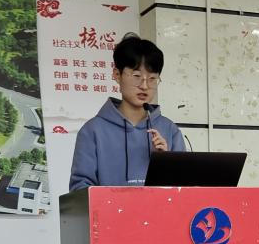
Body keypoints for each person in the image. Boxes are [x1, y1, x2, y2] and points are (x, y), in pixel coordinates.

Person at [69, 33, 185, 191]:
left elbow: (184, 190)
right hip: (110, 209)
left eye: (152, 78)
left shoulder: (170, 130)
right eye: (137, 76)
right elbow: (80, 189)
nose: (144, 86)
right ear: (117, 75)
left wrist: (166, 162)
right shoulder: (93, 131)